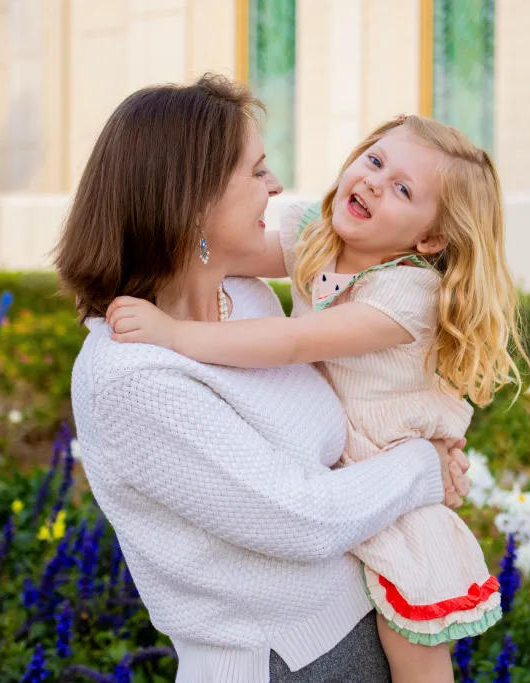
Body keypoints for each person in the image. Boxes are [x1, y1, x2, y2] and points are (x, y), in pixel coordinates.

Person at [54, 74, 473, 683]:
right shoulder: (128, 379)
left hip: (368, 616)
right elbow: (305, 520)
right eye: (256, 172)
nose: (275, 187)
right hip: (283, 664)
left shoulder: (242, 296)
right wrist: (420, 468)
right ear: (190, 199)